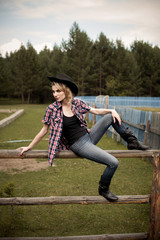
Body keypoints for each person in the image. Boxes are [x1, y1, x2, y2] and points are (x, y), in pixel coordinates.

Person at [18, 73, 149, 202]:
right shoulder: (52, 109)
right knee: (113, 163)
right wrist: (29, 147)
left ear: (66, 90)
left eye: (58, 91)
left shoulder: (77, 103)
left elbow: (96, 111)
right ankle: (103, 189)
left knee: (110, 117)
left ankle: (132, 142)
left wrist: (111, 110)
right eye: (53, 91)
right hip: (79, 145)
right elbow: (43, 131)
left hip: (89, 136)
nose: (55, 94)